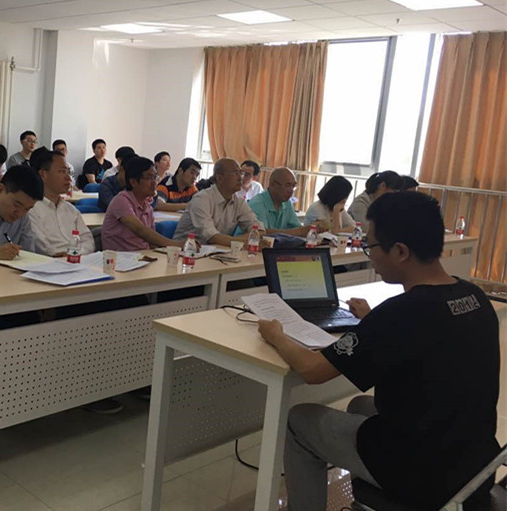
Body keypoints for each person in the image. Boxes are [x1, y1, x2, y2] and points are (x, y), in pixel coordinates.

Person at [257, 192, 500, 510]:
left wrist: (276, 335)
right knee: (360, 405)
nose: (368, 254)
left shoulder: (401, 313)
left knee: (298, 420)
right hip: (475, 467)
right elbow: (425, 339)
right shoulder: (474, 296)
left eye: (370, 246)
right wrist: (372, 322)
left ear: (400, 251)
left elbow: (313, 370)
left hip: (423, 474)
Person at [102, 156, 184, 252]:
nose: (154, 183)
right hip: (120, 258)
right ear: (133, 182)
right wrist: (176, 245)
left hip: (142, 256)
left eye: (155, 177)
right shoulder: (121, 200)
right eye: (149, 178)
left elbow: (152, 243)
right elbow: (140, 230)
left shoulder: (147, 207)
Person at [27, 147, 95, 257]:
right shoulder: (31, 209)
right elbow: (41, 246)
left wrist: (75, 254)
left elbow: (88, 240)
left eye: (68, 172)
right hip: (51, 262)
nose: (69, 178)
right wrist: (66, 256)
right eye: (62, 172)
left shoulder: (71, 210)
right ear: (43, 174)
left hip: (77, 260)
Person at [173, 158, 258, 245]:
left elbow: (258, 230)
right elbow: (212, 237)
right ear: (219, 178)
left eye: (241, 173)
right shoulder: (202, 199)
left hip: (216, 250)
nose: (240, 178)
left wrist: (245, 239)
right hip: (185, 250)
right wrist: (247, 241)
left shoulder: (239, 202)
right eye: (235, 173)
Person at [247, 167, 310, 236]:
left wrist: (308, 229)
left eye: (293, 186)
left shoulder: (287, 203)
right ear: (272, 184)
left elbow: (297, 228)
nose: (291, 191)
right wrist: (300, 231)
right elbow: (262, 233)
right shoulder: (257, 204)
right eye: (287, 185)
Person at [98, 146, 136, 211]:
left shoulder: (134, 184)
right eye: (129, 174)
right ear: (121, 169)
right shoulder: (107, 184)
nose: (132, 179)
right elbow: (114, 205)